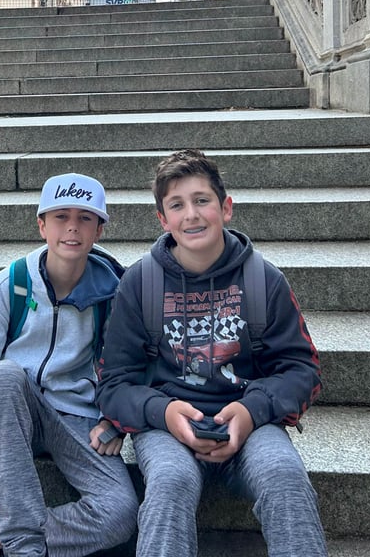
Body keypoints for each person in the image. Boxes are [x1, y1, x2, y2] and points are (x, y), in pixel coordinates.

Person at [95, 149, 327, 557]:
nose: (192, 215)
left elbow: (301, 369)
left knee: (284, 475)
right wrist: (161, 412)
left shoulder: (263, 280)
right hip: (167, 425)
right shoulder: (139, 284)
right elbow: (113, 383)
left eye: (202, 200)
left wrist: (252, 411)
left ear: (226, 207)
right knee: (169, 482)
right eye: (177, 205)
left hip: (250, 422)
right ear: (162, 220)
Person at [0, 173, 138, 557]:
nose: (72, 227)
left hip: (77, 419)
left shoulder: (116, 289)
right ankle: (23, 549)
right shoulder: (12, 285)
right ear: (41, 225)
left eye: (85, 218)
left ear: (99, 229)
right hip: (14, 411)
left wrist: (115, 421)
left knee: (121, 512)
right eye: (60, 216)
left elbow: (131, 365)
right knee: (2, 374)